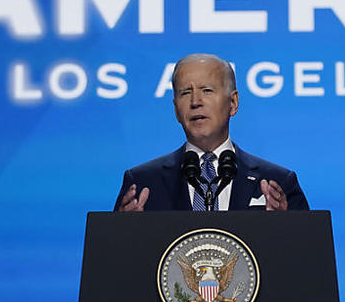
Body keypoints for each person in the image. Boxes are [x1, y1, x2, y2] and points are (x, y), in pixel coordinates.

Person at [114, 53, 308, 211]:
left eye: (206, 90)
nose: (195, 101)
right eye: (185, 93)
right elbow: (115, 256)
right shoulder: (141, 183)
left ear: (233, 103)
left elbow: (307, 255)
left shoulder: (279, 182)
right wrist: (126, 232)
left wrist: (286, 226)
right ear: (176, 110)